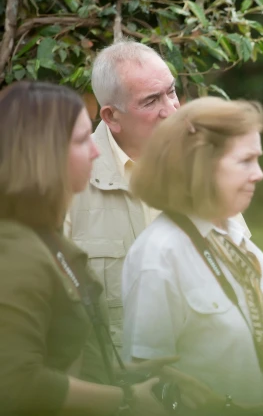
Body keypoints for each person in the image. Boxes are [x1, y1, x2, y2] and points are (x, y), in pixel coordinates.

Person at [0, 81, 165, 416]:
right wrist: (128, 399)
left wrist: (143, 376)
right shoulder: (15, 250)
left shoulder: (44, 238)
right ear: (42, 154)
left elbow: (66, 361)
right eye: (80, 140)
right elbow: (15, 384)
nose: (95, 150)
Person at [122, 97, 263, 412]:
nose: (259, 174)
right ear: (199, 164)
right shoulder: (159, 255)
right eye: (245, 161)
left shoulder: (239, 239)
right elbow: (149, 386)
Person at [65, 40, 180, 351]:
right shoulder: (68, 184)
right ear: (111, 117)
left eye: (171, 92)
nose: (170, 111)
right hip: (117, 390)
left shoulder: (203, 167)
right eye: (151, 101)